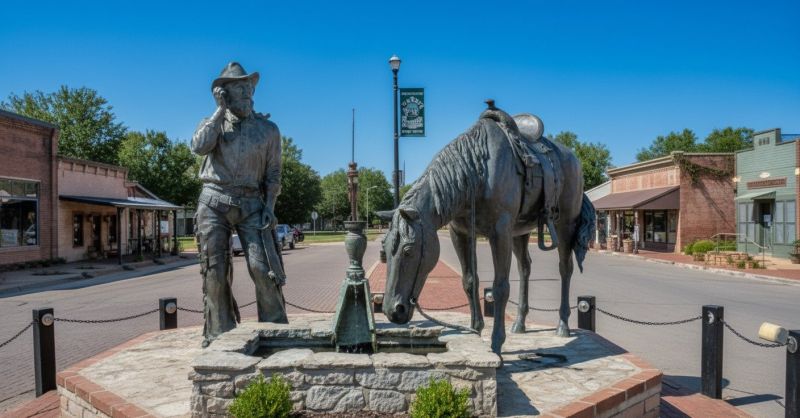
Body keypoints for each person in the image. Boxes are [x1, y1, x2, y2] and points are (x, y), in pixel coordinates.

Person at [192, 62, 288, 347]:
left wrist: (270, 206)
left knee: (263, 268)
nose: (247, 94)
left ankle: (277, 333)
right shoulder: (212, 124)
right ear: (224, 94)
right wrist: (219, 112)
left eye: (249, 89)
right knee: (215, 272)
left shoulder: (268, 130)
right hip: (213, 200)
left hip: (251, 202)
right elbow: (198, 146)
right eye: (240, 89)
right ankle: (219, 335)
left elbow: (273, 174)